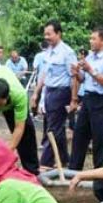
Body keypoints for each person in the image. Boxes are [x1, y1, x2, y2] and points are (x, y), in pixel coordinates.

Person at [69, 27, 103, 170]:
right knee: (79, 135)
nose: (90, 41)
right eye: (90, 38)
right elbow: (83, 79)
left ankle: (99, 172)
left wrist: (91, 70)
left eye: (93, 39)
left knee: (99, 138)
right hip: (88, 98)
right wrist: (77, 73)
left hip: (102, 101)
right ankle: (74, 169)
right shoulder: (90, 56)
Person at [31, 20, 77, 169]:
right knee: (54, 126)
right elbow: (44, 74)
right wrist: (36, 94)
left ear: (58, 33)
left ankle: (45, 162)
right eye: (45, 34)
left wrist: (74, 99)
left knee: (53, 128)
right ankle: (64, 159)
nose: (46, 37)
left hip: (61, 92)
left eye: (49, 34)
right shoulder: (48, 52)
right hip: (49, 92)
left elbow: (74, 77)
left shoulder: (67, 53)